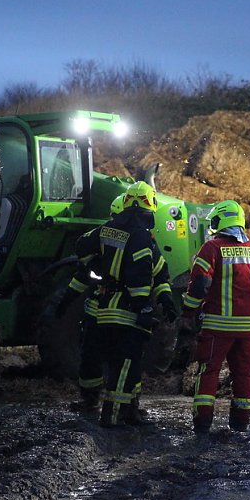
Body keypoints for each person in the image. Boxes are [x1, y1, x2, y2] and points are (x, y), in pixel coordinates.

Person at [89, 181, 176, 427]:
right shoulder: (140, 236)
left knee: (131, 363)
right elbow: (140, 276)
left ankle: (131, 411)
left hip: (106, 310)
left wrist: (166, 298)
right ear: (151, 205)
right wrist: (144, 307)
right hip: (126, 312)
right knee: (124, 364)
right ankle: (112, 416)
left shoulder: (107, 229)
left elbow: (158, 271)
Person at [181, 199, 250, 433]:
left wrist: (188, 312)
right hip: (246, 330)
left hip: (216, 327)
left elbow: (199, 283)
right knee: (243, 374)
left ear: (221, 220)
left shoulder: (212, 248)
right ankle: (240, 425)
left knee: (208, 372)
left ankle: (202, 425)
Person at [55, 192, 128, 412]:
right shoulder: (139, 242)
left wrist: (67, 300)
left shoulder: (102, 240)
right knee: (114, 358)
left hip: (105, 312)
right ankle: (114, 404)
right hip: (118, 313)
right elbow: (83, 275)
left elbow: (83, 271)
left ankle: (100, 402)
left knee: (97, 356)